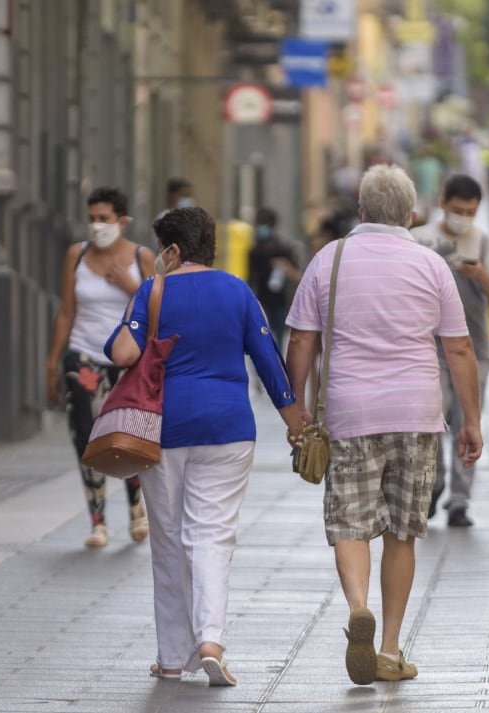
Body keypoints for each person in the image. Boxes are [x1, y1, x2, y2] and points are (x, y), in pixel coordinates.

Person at [286, 165, 482, 685]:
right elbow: (459, 349)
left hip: (349, 413)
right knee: (402, 530)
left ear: (361, 211)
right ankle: (391, 649)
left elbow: (302, 340)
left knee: (350, 521)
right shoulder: (432, 265)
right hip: (417, 412)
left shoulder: (330, 259)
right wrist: (473, 422)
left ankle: (357, 608)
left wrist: (296, 409)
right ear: (413, 215)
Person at [105, 207, 306, 686]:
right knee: (212, 535)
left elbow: (121, 353)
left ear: (172, 251)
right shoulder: (238, 291)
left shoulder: (152, 290)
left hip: (163, 429)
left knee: (170, 539)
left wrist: (138, 304)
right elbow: (267, 360)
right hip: (228, 429)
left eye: (160, 249)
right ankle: (211, 640)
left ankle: (172, 656)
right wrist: (295, 423)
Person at [46, 187, 155, 548]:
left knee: (128, 436)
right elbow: (66, 310)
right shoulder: (76, 255)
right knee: (86, 436)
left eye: (104, 219)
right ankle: (98, 521)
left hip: (128, 360)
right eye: (92, 218)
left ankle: (137, 510)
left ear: (122, 222)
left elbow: (157, 311)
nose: (97, 225)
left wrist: (130, 287)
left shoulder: (142, 258)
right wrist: (53, 361)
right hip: (83, 356)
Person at [411, 174, 489, 528]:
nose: (463, 217)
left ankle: (460, 500)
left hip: (474, 348)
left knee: (468, 423)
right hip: (428, 347)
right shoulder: (418, 240)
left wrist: (480, 275)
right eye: (457, 210)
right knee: (431, 420)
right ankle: (433, 484)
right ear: (443, 202)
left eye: (470, 211)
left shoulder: (485, 243)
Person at [247, 207, 299, 347]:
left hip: (280, 302)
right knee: (263, 340)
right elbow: (251, 277)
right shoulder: (255, 251)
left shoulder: (283, 248)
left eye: (264, 223)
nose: (261, 227)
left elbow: (297, 275)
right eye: (259, 223)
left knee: (280, 341)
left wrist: (286, 267)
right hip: (262, 301)